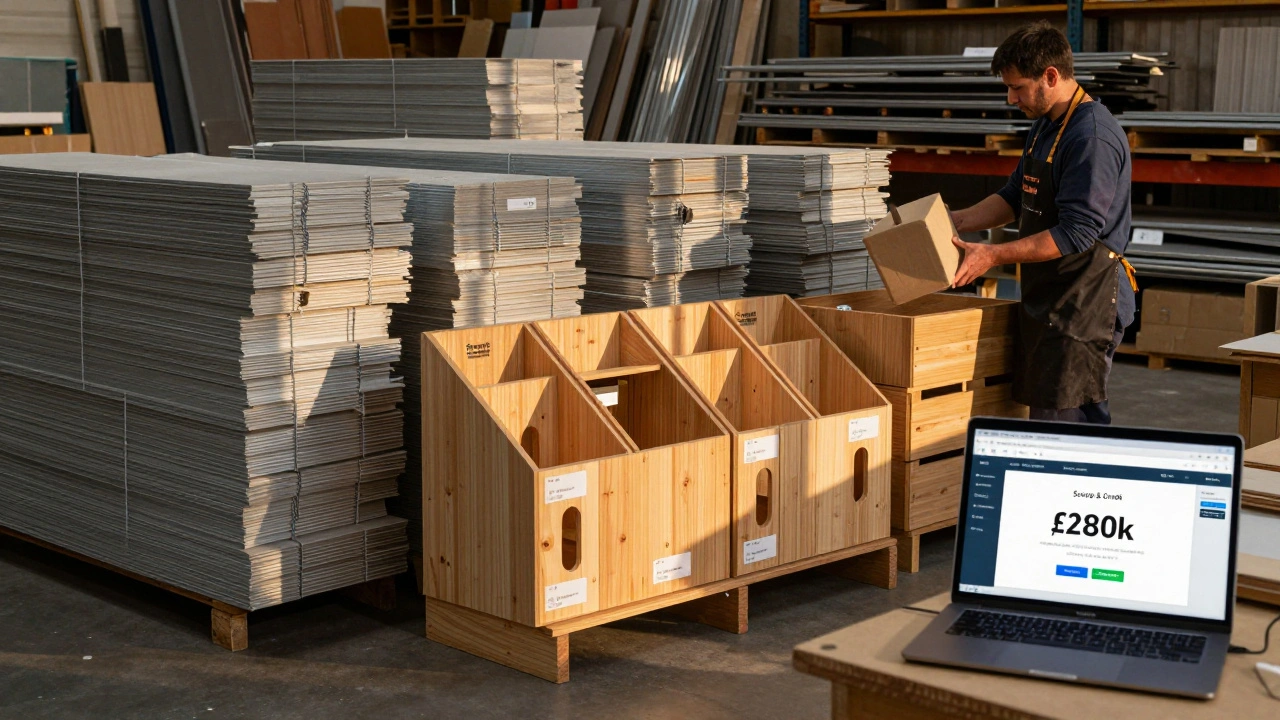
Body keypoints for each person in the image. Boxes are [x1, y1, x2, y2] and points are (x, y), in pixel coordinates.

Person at [949, 21, 1138, 425]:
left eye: (1017, 87)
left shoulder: (1091, 137)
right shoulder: (1046, 124)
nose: (1010, 98)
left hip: (1084, 302)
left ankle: (1084, 491)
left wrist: (992, 255)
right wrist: (957, 221)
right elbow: (1017, 194)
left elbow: (1077, 231)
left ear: (1050, 76)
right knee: (1051, 417)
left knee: (1064, 424)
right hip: (1053, 294)